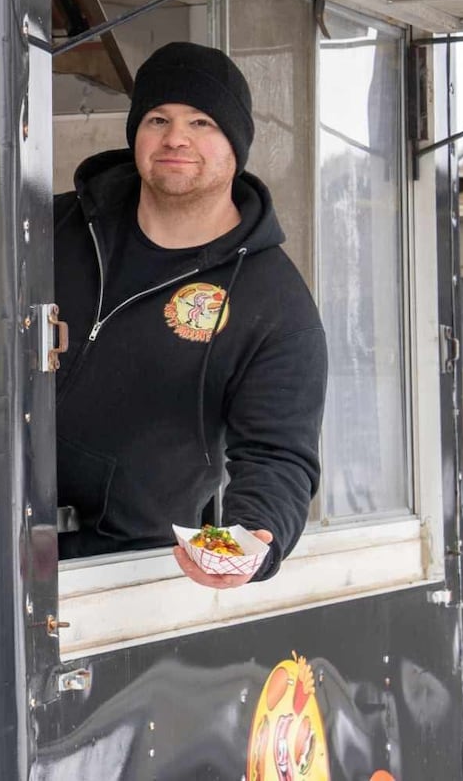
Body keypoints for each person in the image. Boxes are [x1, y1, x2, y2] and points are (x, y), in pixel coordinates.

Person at [53, 41, 327, 588]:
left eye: (202, 122)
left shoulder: (273, 302)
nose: (175, 137)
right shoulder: (53, 227)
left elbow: (278, 455)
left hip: (124, 575)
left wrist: (257, 535)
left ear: (236, 144)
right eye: (158, 118)